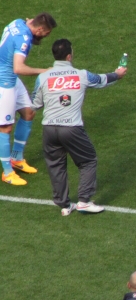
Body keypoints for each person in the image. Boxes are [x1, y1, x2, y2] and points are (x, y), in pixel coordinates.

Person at [31, 39, 127, 215]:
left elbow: (35, 104)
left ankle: (64, 205)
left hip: (49, 129)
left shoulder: (43, 77)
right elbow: (102, 80)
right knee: (88, 160)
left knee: (56, 166)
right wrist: (118, 74)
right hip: (72, 128)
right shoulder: (82, 75)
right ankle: (84, 201)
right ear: (69, 56)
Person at [0, 12, 56, 185]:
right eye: (46, 33)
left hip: (11, 79)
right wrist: (44, 71)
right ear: (39, 30)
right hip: (4, 83)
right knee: (5, 127)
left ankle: (16, 158)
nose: (45, 37)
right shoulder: (23, 39)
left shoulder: (18, 22)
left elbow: (28, 21)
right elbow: (18, 68)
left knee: (29, 113)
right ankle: (7, 172)